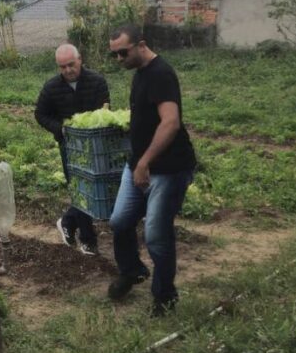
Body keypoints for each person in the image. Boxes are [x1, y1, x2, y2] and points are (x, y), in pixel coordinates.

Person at [106, 25, 196, 316]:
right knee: (120, 221)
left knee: (156, 233)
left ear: (140, 45)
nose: (119, 59)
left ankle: (165, 296)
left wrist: (145, 162)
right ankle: (132, 271)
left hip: (168, 169)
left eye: (123, 52)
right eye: (114, 55)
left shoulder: (161, 74)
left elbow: (171, 123)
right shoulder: (141, 74)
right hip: (138, 165)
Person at [35, 43, 111, 256]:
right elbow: (40, 114)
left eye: (71, 64)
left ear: (80, 60)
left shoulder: (96, 81)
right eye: (62, 67)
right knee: (80, 190)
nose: (68, 70)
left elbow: (104, 111)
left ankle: (68, 221)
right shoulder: (51, 88)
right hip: (69, 147)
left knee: (93, 190)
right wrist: (60, 129)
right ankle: (88, 240)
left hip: (96, 147)